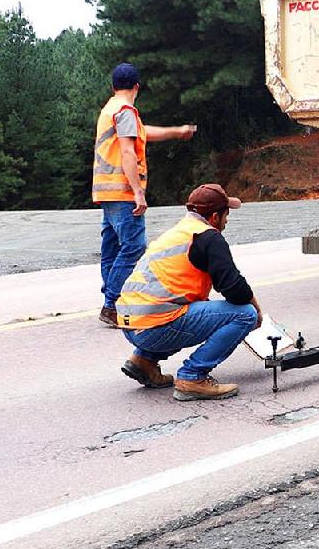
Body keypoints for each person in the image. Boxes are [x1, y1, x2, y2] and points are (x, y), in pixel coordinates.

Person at [116, 184, 262, 401]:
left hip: (131, 326)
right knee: (245, 314)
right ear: (214, 216)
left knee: (192, 311)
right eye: (226, 215)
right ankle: (193, 377)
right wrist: (258, 312)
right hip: (155, 328)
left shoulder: (178, 232)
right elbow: (234, 288)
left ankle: (143, 362)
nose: (227, 221)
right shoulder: (209, 237)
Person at [94, 63, 196, 327]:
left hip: (106, 191)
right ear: (137, 86)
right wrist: (138, 193)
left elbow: (142, 132)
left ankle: (112, 301)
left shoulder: (111, 109)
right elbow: (128, 151)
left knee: (113, 249)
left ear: (114, 86)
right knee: (134, 247)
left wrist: (176, 131)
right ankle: (112, 304)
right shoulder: (126, 111)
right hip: (123, 191)